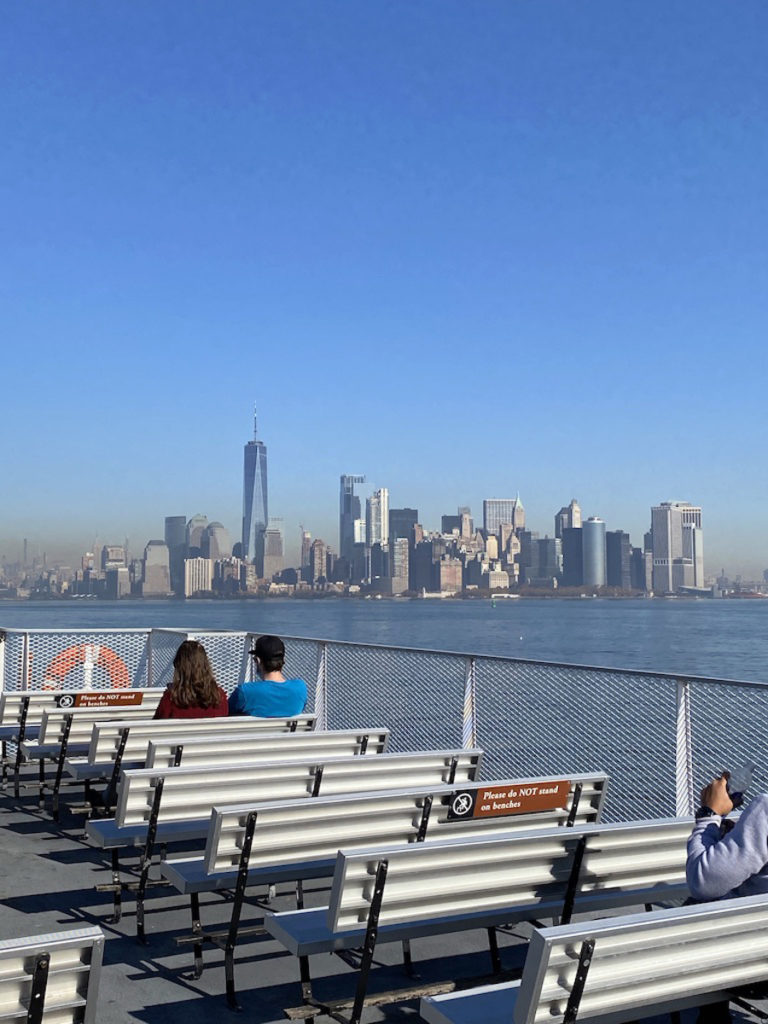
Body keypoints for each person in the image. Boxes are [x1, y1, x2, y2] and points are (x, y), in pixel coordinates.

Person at [687, 771, 768, 901]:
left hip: (738, 919)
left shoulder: (765, 809)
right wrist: (736, 834)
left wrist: (708, 815)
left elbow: (702, 883)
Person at [228, 634, 307, 717]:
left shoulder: (245, 692)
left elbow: (225, 713)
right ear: (283, 660)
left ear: (258, 661)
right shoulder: (300, 688)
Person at [153, 639, 229, 719]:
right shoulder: (220, 698)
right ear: (206, 666)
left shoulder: (170, 700)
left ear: (179, 668)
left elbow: (156, 726)